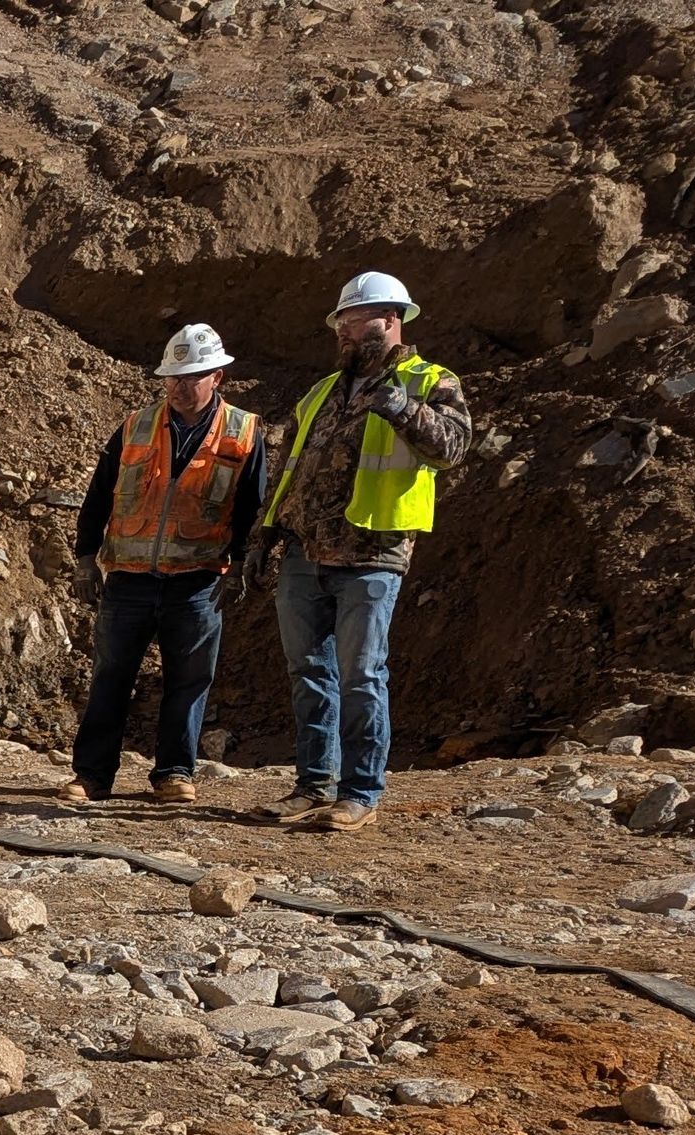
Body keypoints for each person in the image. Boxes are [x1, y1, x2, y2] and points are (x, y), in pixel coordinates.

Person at [243, 271, 472, 832]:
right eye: (340, 324)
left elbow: (453, 448)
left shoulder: (430, 382)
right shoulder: (322, 391)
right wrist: (265, 534)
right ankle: (313, 784)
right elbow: (290, 470)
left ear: (390, 319)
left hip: (373, 551)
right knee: (308, 671)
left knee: (362, 674)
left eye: (353, 320)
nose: (343, 332)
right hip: (304, 550)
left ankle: (361, 791)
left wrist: (399, 407)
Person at [63, 324, 268, 803]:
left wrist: (241, 563)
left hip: (197, 580)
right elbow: (99, 496)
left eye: (190, 376)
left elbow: (252, 509)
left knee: (189, 680)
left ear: (217, 377)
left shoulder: (243, 433)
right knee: (110, 676)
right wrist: (85, 558)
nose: (178, 386)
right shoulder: (136, 425)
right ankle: (92, 776)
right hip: (130, 578)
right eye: (172, 377)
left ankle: (175, 773)